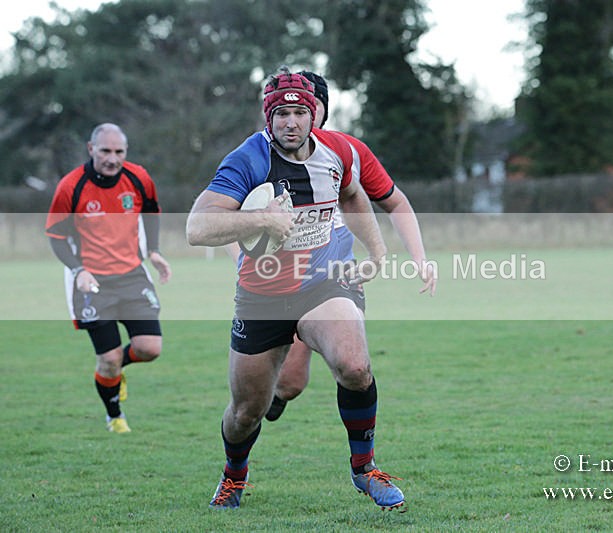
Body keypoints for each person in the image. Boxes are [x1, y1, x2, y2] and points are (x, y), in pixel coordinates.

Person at [186, 66, 405, 511]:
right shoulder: (249, 158)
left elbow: (353, 194)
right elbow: (197, 227)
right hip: (262, 295)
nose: (291, 122)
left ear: (314, 116)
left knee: (355, 366)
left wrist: (378, 251)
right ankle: (233, 476)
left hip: (325, 282)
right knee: (247, 411)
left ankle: (365, 468)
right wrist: (262, 219)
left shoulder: (334, 153)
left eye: (300, 112)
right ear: (269, 118)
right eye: (281, 113)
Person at [264, 71, 437, 422]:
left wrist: (419, 258)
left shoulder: (349, 151)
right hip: (282, 282)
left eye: (307, 107)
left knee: (354, 365)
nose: (296, 117)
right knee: (290, 383)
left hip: (336, 279)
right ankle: (261, 404)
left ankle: (364, 461)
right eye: (286, 110)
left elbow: (396, 203)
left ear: (320, 109)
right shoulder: (261, 153)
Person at [45, 123, 172, 434]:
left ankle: (114, 369)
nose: (112, 158)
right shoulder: (71, 187)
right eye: (105, 151)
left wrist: (153, 251)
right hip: (91, 282)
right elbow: (56, 236)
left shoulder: (138, 178)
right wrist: (78, 271)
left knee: (149, 348)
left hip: (131, 275)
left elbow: (152, 212)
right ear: (91, 149)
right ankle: (114, 416)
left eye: (119, 152)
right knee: (109, 358)